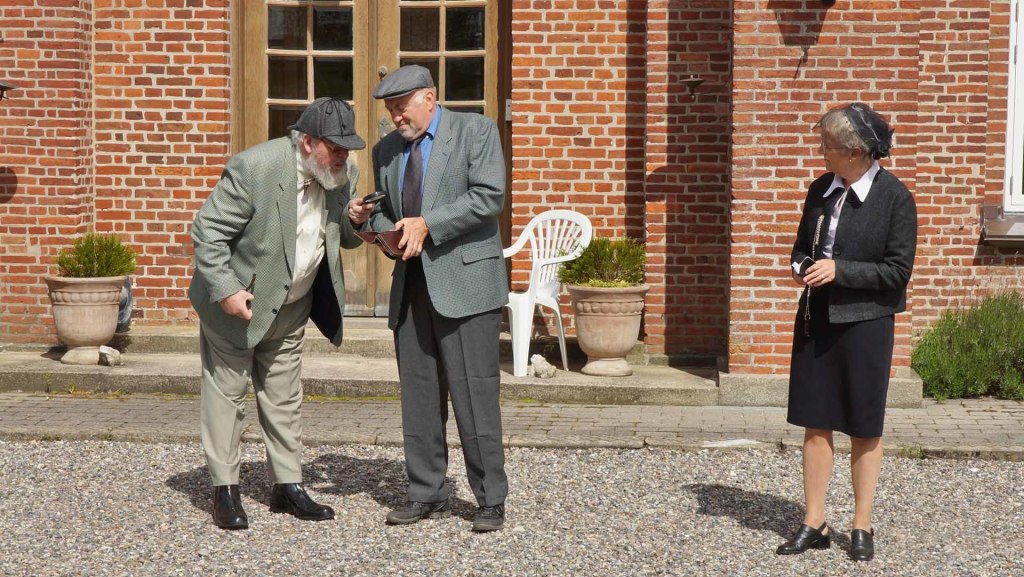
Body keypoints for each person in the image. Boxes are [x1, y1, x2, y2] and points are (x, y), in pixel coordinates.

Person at [189, 97, 374, 530]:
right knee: (227, 397)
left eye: (348, 149)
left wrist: (355, 220)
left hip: (293, 306)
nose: (345, 157)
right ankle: (225, 491)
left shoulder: (342, 174)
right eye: (336, 148)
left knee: (285, 398)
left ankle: (287, 487)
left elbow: (343, 238)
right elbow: (208, 231)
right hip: (238, 306)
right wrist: (226, 290)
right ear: (308, 142)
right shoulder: (253, 168)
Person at [360, 64, 509, 532]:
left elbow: (489, 196)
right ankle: (427, 492)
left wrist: (429, 224)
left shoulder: (476, 131)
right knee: (419, 397)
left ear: (430, 97)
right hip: (412, 288)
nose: (395, 118)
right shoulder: (386, 150)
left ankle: (490, 499)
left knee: (474, 395)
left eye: (401, 108)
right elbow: (388, 211)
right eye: (390, 110)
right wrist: (365, 221)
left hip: (467, 285)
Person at [777, 102, 917, 561]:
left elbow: (897, 272)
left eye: (829, 146)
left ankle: (861, 523)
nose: (822, 152)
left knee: (863, 426)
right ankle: (814, 521)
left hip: (866, 326)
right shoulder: (821, 188)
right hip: (817, 320)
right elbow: (802, 247)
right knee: (816, 422)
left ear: (856, 152)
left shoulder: (896, 198)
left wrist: (841, 271)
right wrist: (801, 267)